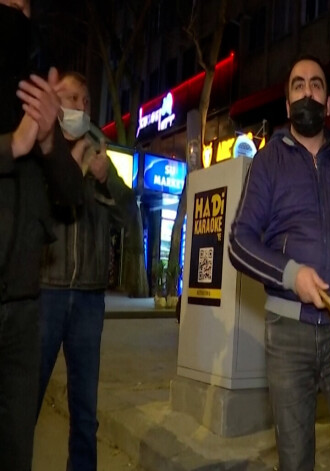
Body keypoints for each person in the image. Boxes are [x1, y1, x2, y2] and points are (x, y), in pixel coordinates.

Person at [228, 55, 330, 471]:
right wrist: (290, 274)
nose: (307, 92)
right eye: (298, 85)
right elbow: (239, 243)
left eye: (315, 85)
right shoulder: (268, 161)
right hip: (288, 335)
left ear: (329, 102)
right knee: (296, 459)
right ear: (287, 105)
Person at [37, 71, 136, 470]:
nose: (75, 105)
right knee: (26, 399)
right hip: (45, 290)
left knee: (84, 411)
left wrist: (106, 176)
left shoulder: (102, 155)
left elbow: (129, 216)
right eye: (67, 97)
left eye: (82, 99)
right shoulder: (42, 149)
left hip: (89, 300)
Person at [0, 1, 84, 469]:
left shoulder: (32, 95)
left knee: (16, 447)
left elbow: (71, 195)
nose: (18, 12)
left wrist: (49, 139)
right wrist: (13, 144)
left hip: (24, 307)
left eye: (25, 4)